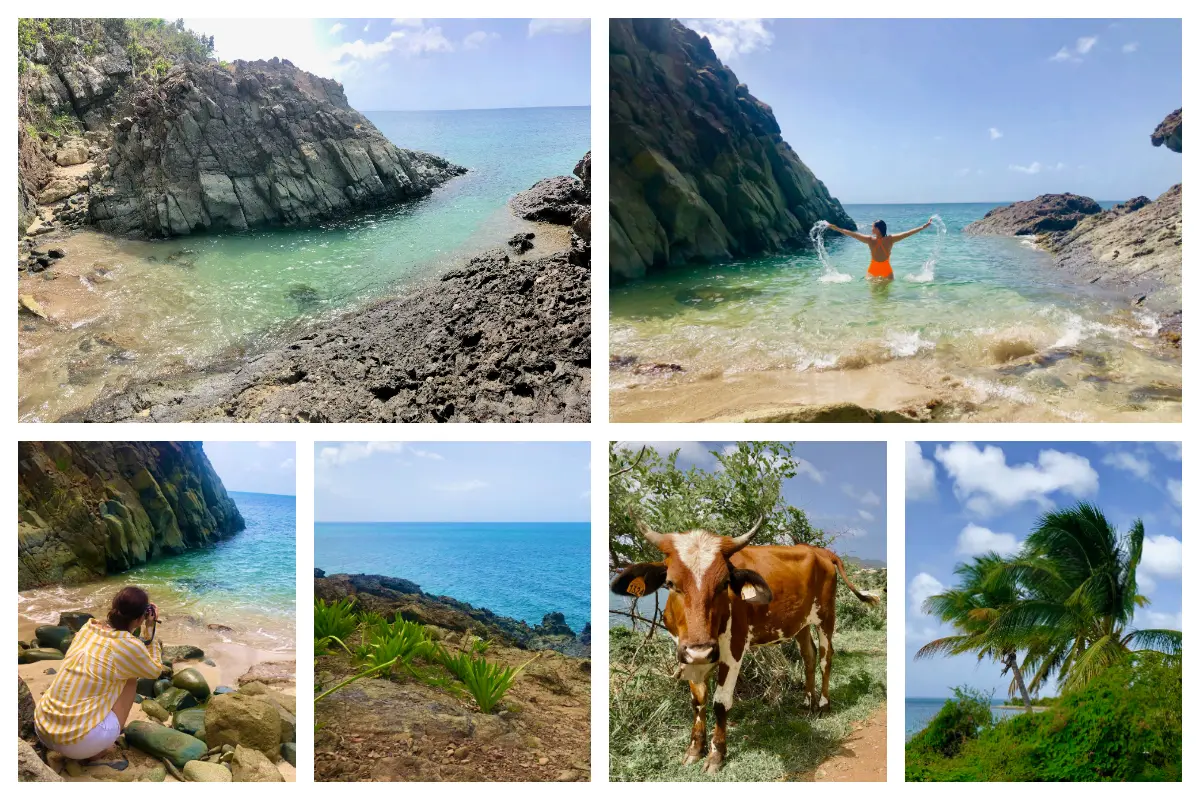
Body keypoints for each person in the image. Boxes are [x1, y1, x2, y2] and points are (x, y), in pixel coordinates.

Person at [34, 586, 164, 762]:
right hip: (76, 745)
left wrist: (139, 622)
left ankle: (92, 732)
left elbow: (121, 635)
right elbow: (155, 669)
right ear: (140, 618)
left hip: (43, 728)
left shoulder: (88, 629)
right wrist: (150, 628)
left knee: (110, 674)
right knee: (130, 677)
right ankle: (97, 748)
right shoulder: (128, 645)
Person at [827, 218, 934, 280]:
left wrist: (923, 227)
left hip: (876, 270)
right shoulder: (884, 239)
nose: (871, 228)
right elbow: (852, 234)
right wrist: (837, 228)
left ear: (877, 229)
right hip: (882, 270)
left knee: (882, 299)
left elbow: (907, 233)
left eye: (873, 227)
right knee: (877, 299)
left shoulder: (878, 240)